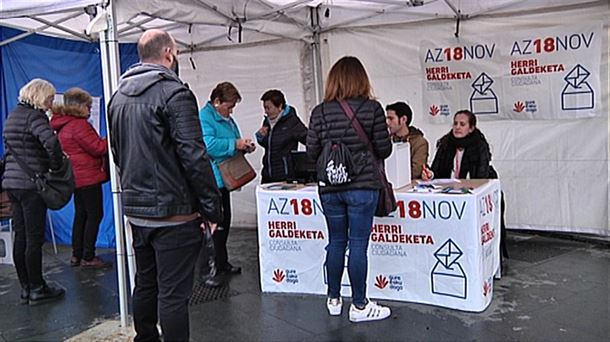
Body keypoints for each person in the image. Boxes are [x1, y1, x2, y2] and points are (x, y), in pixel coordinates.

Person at [108, 29, 223, 342]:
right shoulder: (175, 93)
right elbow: (194, 156)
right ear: (170, 52)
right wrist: (212, 210)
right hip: (174, 214)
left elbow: (118, 153)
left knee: (146, 283)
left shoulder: (117, 97)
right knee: (173, 295)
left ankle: (145, 338)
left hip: (138, 209)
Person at [306, 56, 393, 323]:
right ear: (361, 78)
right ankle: (359, 305)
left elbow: (311, 152)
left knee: (335, 242)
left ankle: (333, 298)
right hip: (363, 187)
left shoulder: (319, 111)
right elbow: (385, 149)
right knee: (358, 245)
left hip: (330, 187)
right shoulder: (373, 109)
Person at [2, 78, 65, 305]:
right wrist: (56, 166)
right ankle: (38, 288)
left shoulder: (13, 116)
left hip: (12, 184)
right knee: (34, 238)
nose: (51, 103)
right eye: (49, 98)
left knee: (21, 236)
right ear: (39, 96)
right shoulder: (34, 117)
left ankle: (26, 288)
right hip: (31, 185)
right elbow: (51, 143)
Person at [198, 81, 254, 286]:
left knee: (225, 221)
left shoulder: (226, 119)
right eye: (229, 106)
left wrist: (243, 146)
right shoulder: (204, 117)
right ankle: (209, 268)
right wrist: (234, 144)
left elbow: (233, 138)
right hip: (212, 178)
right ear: (216, 101)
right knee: (214, 225)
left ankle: (222, 262)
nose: (231, 111)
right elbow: (207, 145)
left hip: (224, 178)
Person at [50, 88, 109, 269]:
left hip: (75, 178)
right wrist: (110, 139)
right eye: (88, 106)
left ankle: (77, 254)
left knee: (81, 215)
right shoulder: (79, 125)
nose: (90, 109)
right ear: (80, 105)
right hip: (88, 177)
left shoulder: (63, 124)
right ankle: (88, 256)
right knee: (94, 214)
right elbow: (98, 148)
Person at [255, 89, 307, 183]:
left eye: (268, 108)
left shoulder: (292, 122)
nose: (266, 111)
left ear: (279, 106)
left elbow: (308, 139)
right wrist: (261, 137)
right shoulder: (267, 121)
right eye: (264, 107)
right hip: (268, 174)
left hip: (285, 176)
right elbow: (269, 144)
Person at [425, 109, 491, 180]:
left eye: (462, 124)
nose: (457, 127)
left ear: (471, 128)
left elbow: (482, 175)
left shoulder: (480, 146)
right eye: (455, 123)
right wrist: (430, 175)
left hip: (472, 188)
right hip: (447, 188)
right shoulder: (445, 143)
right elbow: (436, 170)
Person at [385, 101, 429, 179]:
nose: (387, 122)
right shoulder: (387, 140)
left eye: (391, 119)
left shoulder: (419, 142)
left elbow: (416, 171)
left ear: (404, 119)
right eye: (387, 118)